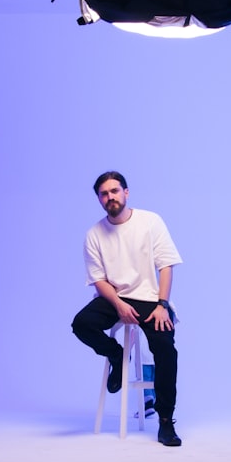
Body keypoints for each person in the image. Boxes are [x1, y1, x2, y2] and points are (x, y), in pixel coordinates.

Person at [71, 171, 184, 447]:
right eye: (104, 194)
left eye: (114, 191)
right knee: (81, 323)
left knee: (165, 349)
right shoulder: (94, 234)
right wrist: (119, 304)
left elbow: (166, 265)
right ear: (99, 199)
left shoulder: (150, 221)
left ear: (126, 192)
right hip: (115, 296)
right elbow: (99, 280)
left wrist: (162, 305)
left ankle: (166, 422)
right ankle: (117, 355)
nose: (110, 197)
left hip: (150, 299)